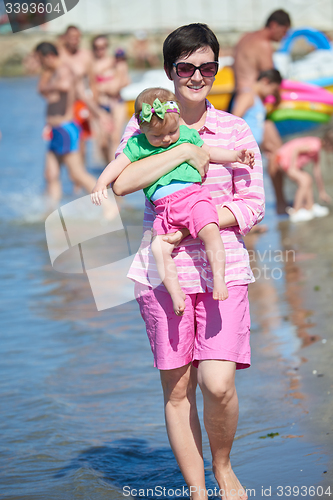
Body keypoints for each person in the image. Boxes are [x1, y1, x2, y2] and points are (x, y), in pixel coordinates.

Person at [111, 23, 264, 500]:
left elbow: (253, 202)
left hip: (223, 268)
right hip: (162, 274)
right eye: (186, 67)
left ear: (218, 70)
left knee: (218, 384)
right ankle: (198, 490)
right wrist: (182, 149)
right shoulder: (141, 127)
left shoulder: (235, 128)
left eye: (207, 67)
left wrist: (199, 223)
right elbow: (121, 183)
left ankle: (222, 467)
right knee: (178, 390)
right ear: (169, 71)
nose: (197, 76)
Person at [91, 87, 255, 315]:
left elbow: (210, 152)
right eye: (157, 136)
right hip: (165, 211)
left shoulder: (186, 134)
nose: (167, 139)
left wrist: (235, 156)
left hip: (194, 200)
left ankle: (219, 279)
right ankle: (175, 292)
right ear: (142, 128)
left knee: (210, 231)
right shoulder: (137, 145)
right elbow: (117, 167)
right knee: (159, 249)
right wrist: (101, 183)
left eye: (171, 132)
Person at [232, 9, 291, 213]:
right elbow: (271, 78)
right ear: (275, 25)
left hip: (238, 96)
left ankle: (246, 207)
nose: (282, 38)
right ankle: (281, 205)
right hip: (253, 104)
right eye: (283, 33)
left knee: (242, 159)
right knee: (277, 151)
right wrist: (280, 100)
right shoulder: (263, 45)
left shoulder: (244, 39)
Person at [35, 42, 107, 206]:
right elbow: (81, 94)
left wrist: (48, 85)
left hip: (66, 128)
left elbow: (66, 86)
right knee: (51, 174)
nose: (39, 64)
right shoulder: (53, 72)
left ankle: (109, 206)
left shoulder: (64, 69)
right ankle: (51, 210)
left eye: (40, 59)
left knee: (77, 173)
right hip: (55, 130)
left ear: (48, 57)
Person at [274, 132, 333, 222]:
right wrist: (292, 168)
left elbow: (317, 171)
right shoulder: (315, 146)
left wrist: (322, 192)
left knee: (308, 178)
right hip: (284, 160)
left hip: (285, 159)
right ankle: (296, 211)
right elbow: (297, 149)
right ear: (329, 144)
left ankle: (310, 207)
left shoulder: (317, 146)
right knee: (304, 180)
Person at [90, 35, 130, 162]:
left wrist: (111, 87)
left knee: (114, 138)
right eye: (97, 48)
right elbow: (92, 86)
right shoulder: (91, 65)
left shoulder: (115, 62)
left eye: (103, 47)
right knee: (102, 142)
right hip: (100, 105)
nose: (100, 50)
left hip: (116, 102)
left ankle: (114, 170)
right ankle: (107, 165)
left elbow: (126, 80)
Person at [232, 69, 282, 147]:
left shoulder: (258, 99)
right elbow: (234, 120)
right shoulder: (248, 95)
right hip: (242, 147)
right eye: (273, 90)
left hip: (252, 148)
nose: (271, 94)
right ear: (266, 81)